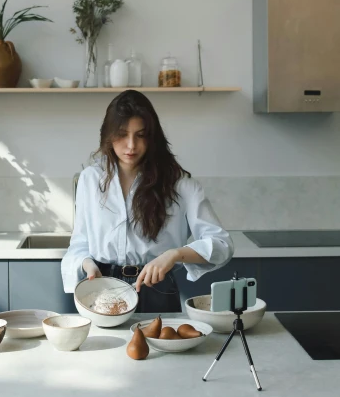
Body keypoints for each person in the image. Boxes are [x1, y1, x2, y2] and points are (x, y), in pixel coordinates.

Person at [61, 90, 234, 312]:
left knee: (160, 347)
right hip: (101, 288)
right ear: (108, 135)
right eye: (122, 134)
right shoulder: (89, 179)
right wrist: (87, 264)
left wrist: (175, 254)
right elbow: (79, 243)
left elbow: (222, 245)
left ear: (152, 137)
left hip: (157, 289)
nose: (131, 145)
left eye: (140, 135)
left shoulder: (179, 184)